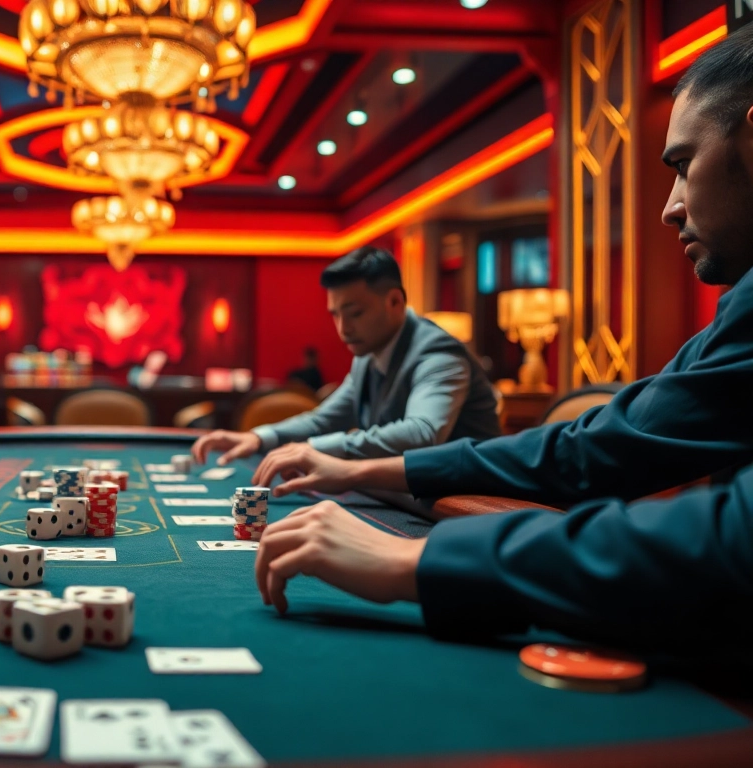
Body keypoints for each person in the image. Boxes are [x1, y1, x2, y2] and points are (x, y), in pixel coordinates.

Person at [251, 25, 753, 649]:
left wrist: (419, 561)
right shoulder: (743, 309)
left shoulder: (436, 348)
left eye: (682, 164)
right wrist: (360, 466)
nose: (669, 207)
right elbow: (589, 448)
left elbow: (736, 537)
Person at [193, 246, 500, 466]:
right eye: (335, 315)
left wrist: (313, 449)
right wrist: (259, 438)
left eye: (354, 313)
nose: (343, 328)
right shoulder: (369, 353)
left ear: (394, 301)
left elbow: (423, 433)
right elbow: (325, 420)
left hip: (464, 508)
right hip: (408, 496)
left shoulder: (438, 353)